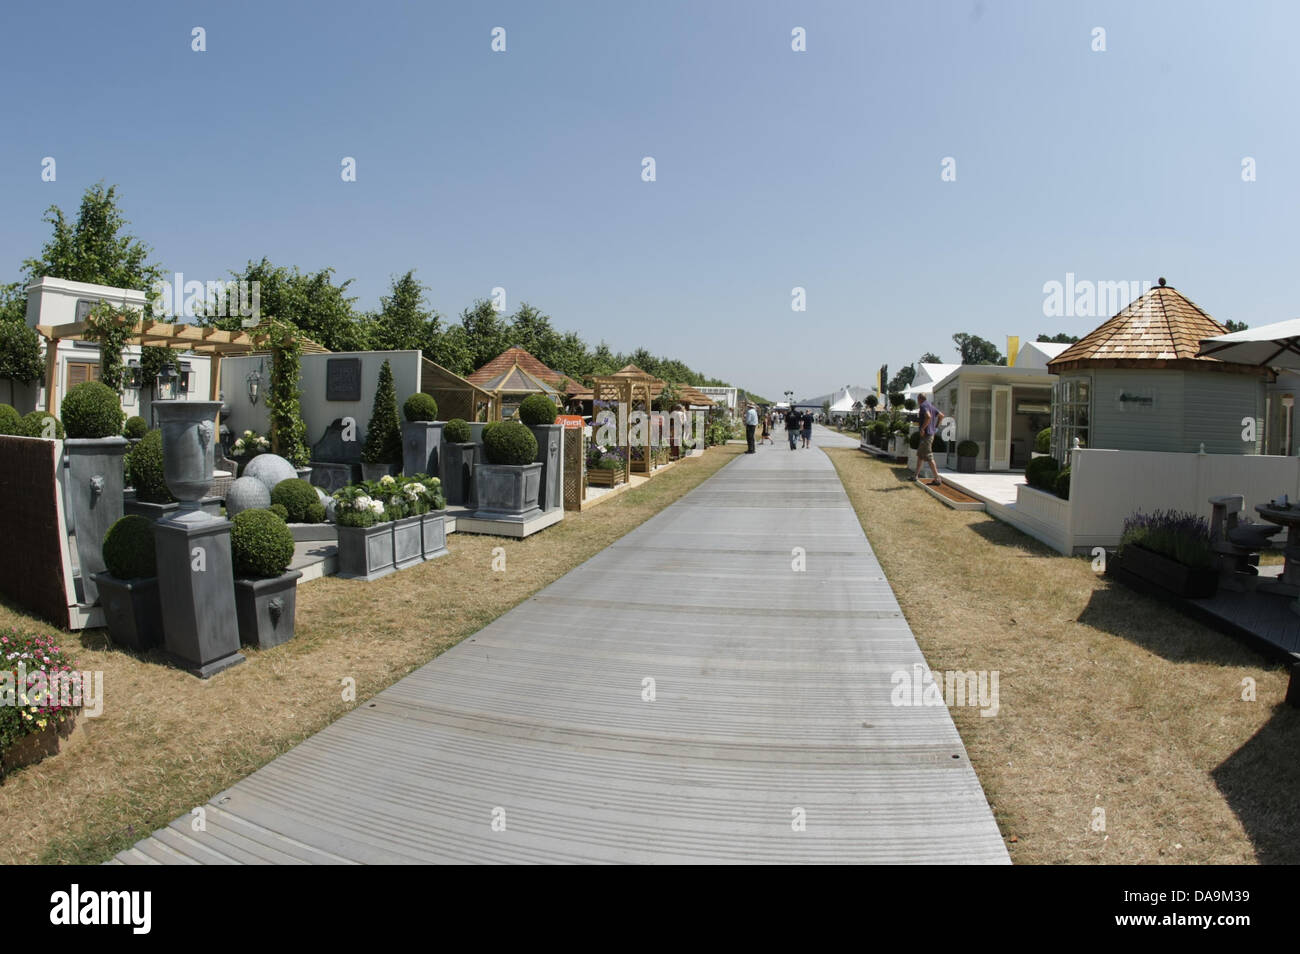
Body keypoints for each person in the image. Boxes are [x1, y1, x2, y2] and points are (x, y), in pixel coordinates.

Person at [914, 391, 945, 486]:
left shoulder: (923, 406)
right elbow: (941, 415)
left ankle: (937, 478)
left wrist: (923, 428)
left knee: (928, 456)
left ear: (919, 399)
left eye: (917, 400)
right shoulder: (930, 405)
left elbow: (928, 416)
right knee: (920, 455)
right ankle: (915, 475)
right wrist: (935, 427)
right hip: (930, 434)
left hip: (926, 435)